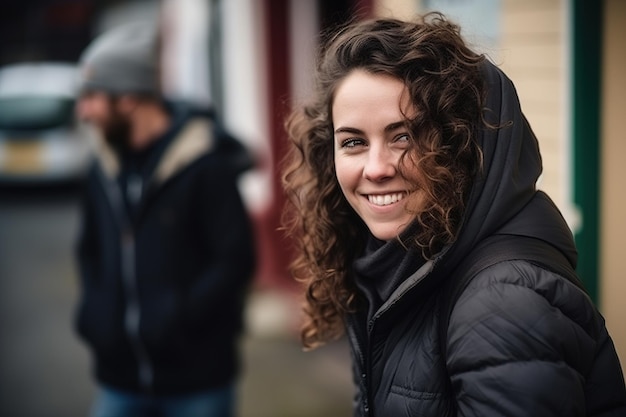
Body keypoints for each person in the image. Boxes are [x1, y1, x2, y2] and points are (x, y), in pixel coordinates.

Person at [281, 12, 626, 417]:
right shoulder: (394, 262)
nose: (375, 168)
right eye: (354, 142)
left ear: (460, 143)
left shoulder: (503, 300)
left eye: (404, 136)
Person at [73, 21, 256, 417]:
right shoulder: (100, 167)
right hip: (116, 379)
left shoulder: (205, 164)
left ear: (127, 100)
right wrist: (93, 312)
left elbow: (235, 259)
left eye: (92, 97)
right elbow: (89, 250)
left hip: (196, 381)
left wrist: (179, 318)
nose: (82, 112)